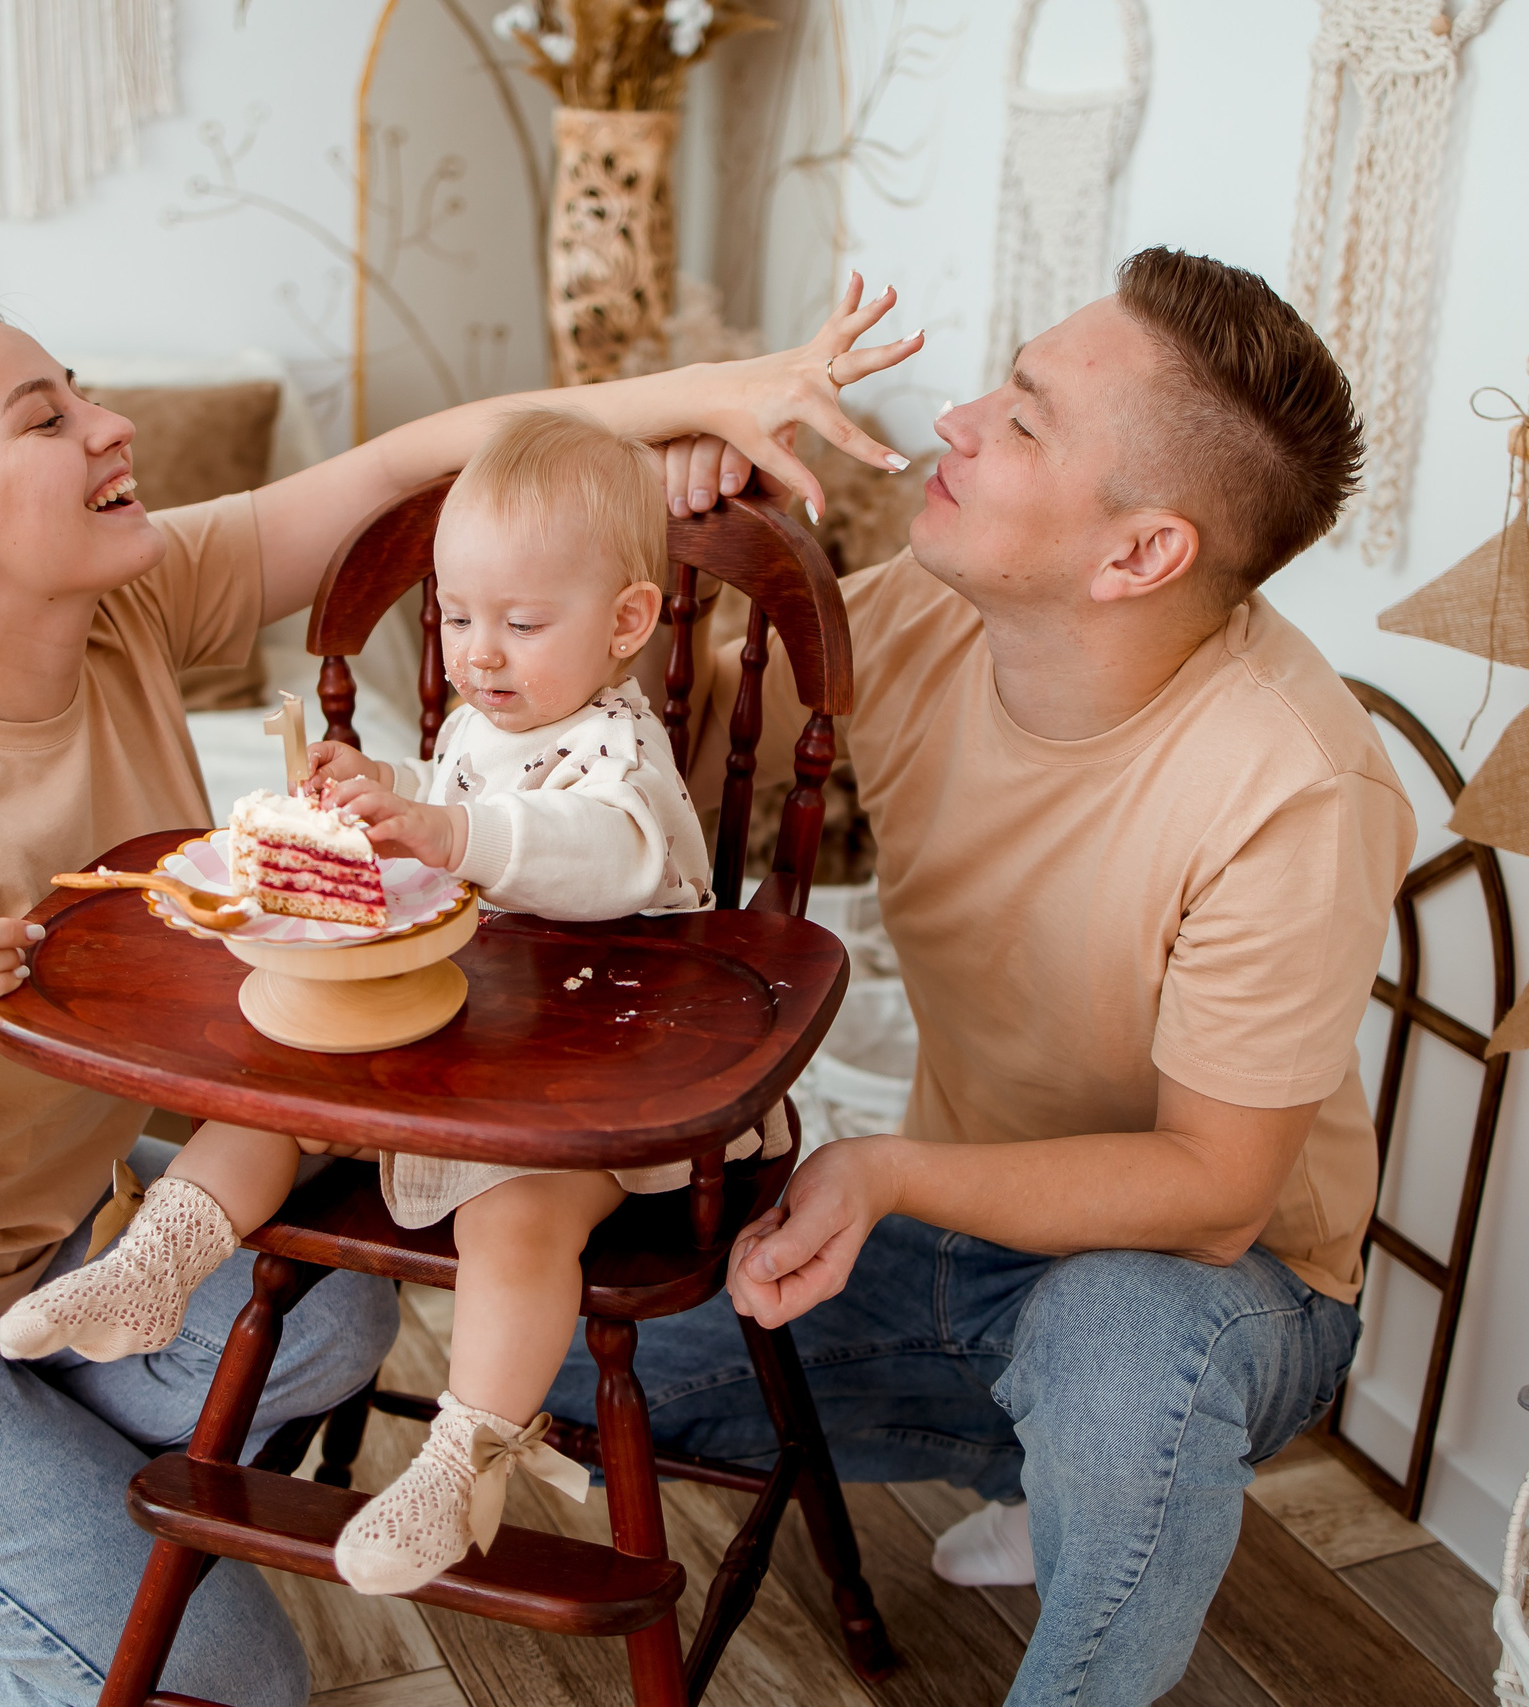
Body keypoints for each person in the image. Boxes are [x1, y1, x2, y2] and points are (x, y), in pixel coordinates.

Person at [0, 289, 922, 1707]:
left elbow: (403, 470)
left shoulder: (121, 607)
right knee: (225, 1682)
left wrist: (703, 400)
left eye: (81, 389)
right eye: (47, 417)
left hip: (54, 1236)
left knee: (334, 1317)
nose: (110, 423)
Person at [551, 246, 1414, 1706]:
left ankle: (1096, 1446)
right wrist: (673, 531)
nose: (956, 418)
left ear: (1137, 554)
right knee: (577, 1374)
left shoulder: (1298, 789)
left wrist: (880, 1170)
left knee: (1121, 1345)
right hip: (968, 1228)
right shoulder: (933, 614)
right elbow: (657, 802)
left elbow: (1213, 1187)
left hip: (1222, 1279)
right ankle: (1050, 1448)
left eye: (1022, 418)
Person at [0, 407, 789, 1599]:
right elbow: (458, 789)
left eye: (521, 625)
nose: (478, 654)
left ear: (629, 623)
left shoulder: (622, 755)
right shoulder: (485, 717)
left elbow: (594, 854)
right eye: (455, 616)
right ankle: (157, 1261)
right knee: (264, 1103)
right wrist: (390, 787)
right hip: (463, 1049)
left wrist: (450, 828)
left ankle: (462, 1456)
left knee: (514, 1229)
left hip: (597, 1093)